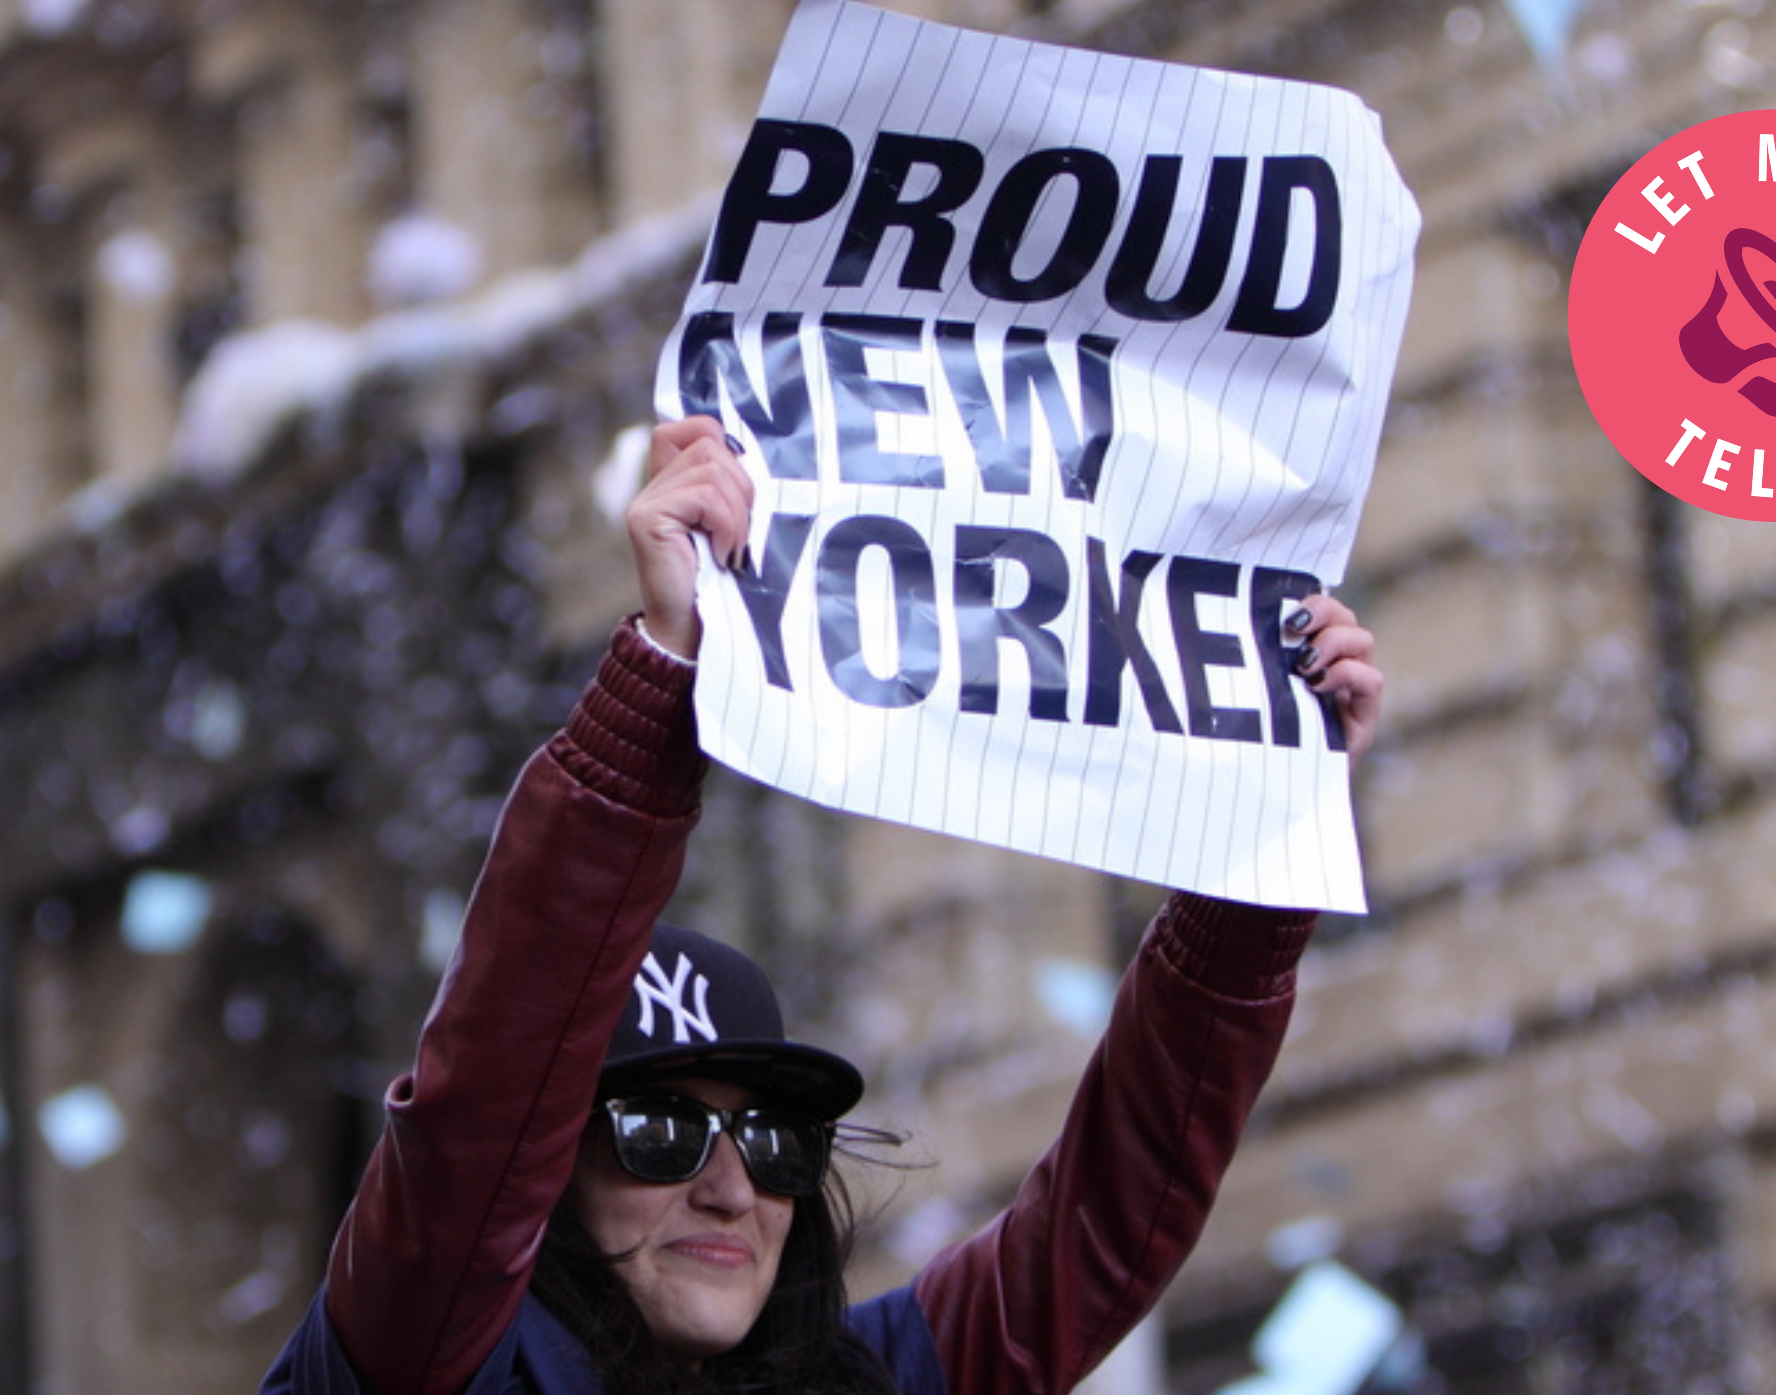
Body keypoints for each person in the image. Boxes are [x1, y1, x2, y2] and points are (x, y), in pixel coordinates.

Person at [261, 416, 1385, 1395]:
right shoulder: (413, 1363)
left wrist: (1262, 827)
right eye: (657, 1135)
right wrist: (663, 673)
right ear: (542, 1187)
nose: (728, 1186)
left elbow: (1108, 1218)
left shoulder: (874, 1380)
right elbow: (478, 1116)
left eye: (774, 1140)